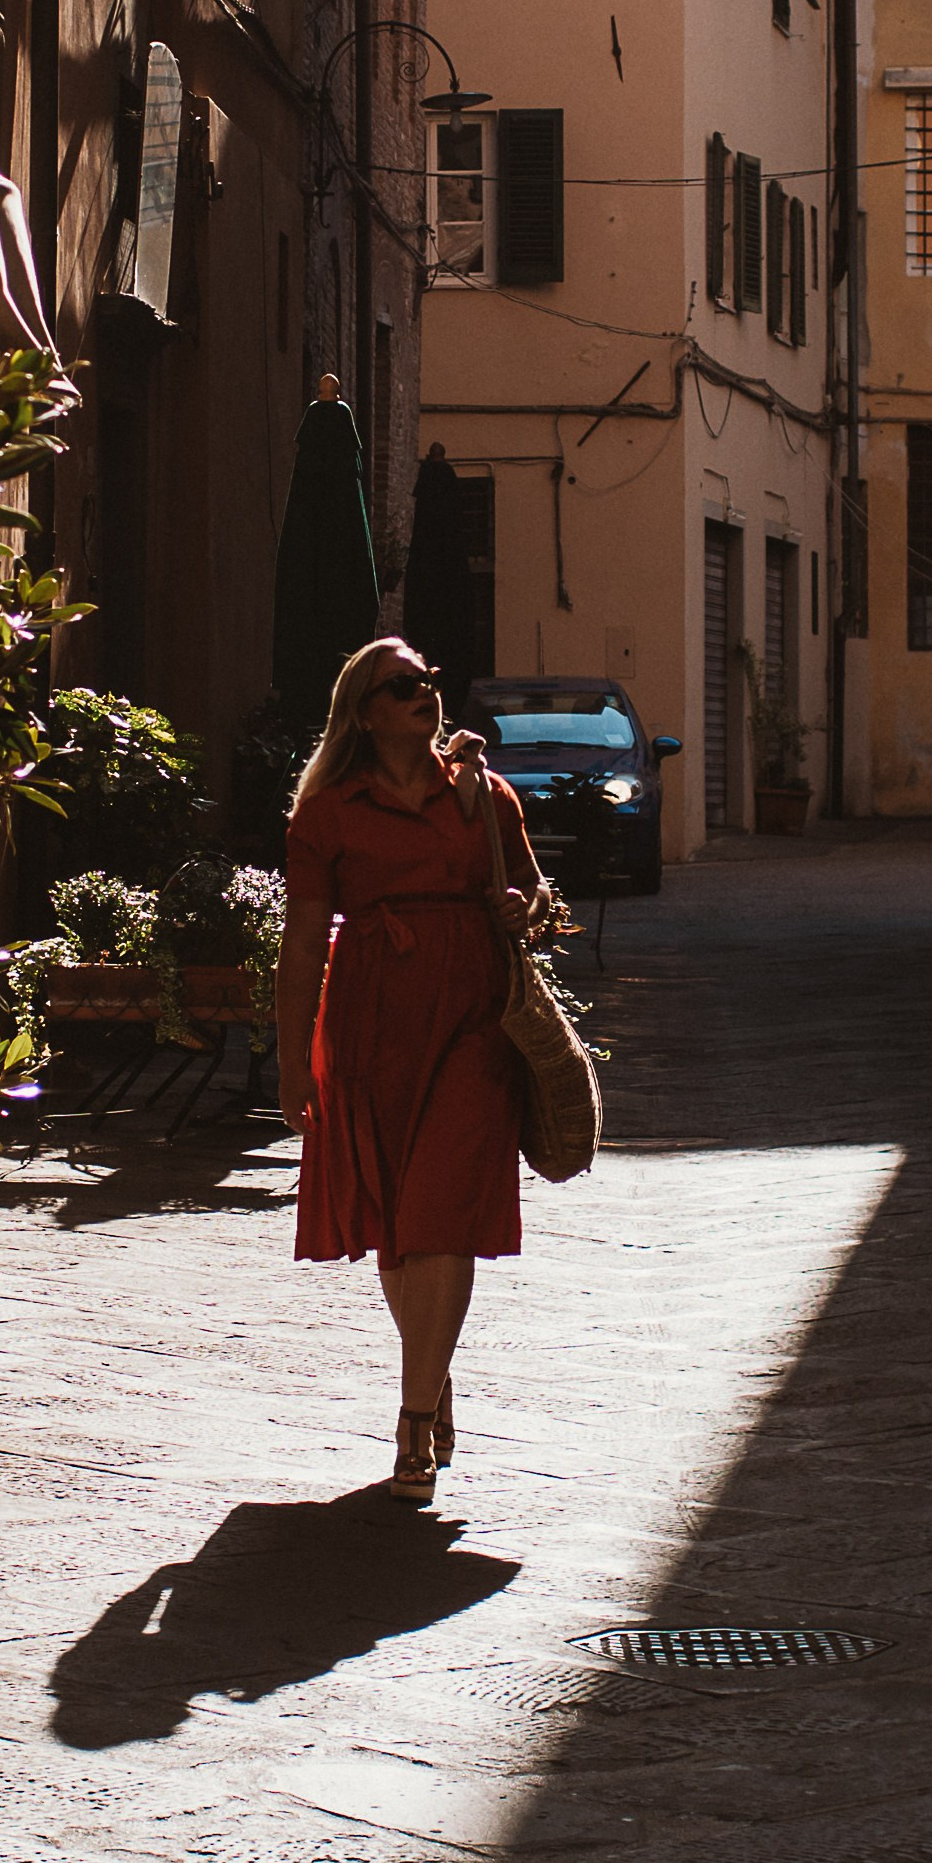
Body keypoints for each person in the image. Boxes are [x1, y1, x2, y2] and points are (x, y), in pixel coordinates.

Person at [274, 635, 556, 1501]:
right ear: (365, 711)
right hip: (372, 1023)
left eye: (430, 681)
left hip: (473, 1018)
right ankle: (431, 1381)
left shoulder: (483, 796)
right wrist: (292, 1068)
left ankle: (410, 1426)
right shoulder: (326, 815)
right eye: (403, 687)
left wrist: (521, 905)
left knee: (441, 1207)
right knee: (398, 1218)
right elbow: (300, 946)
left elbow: (541, 900)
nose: (425, 695)